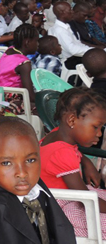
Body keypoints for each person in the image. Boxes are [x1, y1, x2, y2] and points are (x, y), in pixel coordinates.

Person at [40, 87, 106, 239]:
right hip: (58, 209)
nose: (99, 133)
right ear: (71, 120)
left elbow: (70, 151)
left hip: (66, 198)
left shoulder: (56, 134)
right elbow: (82, 197)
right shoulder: (62, 153)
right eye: (95, 127)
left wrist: (86, 161)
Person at [0, 24, 38, 115]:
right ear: (27, 42)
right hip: (8, 102)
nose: (38, 44)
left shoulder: (10, 50)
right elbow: (30, 96)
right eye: (36, 41)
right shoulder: (24, 63)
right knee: (43, 109)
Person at [48, 1, 93, 69]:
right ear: (62, 12)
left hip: (75, 58)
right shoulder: (60, 30)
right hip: (69, 61)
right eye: (70, 10)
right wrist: (94, 51)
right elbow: (73, 50)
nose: (72, 12)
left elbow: (78, 43)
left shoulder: (66, 26)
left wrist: (93, 49)